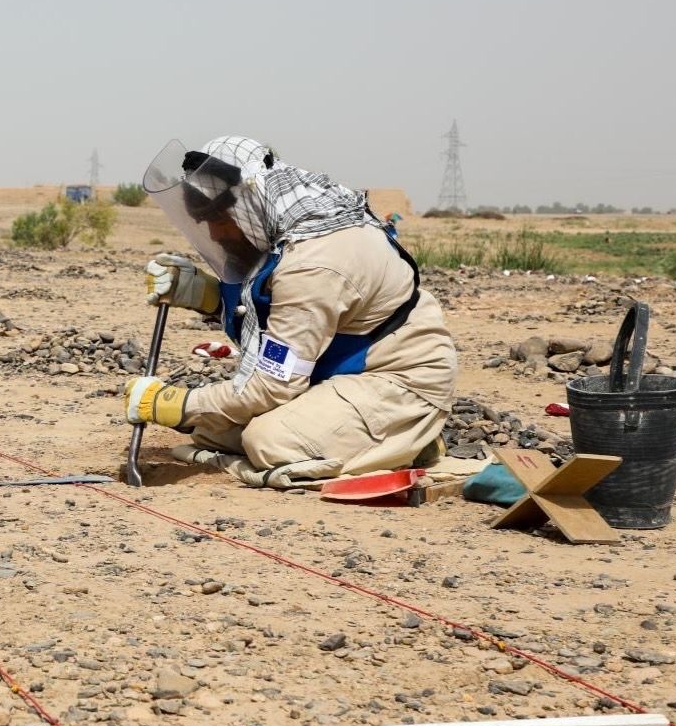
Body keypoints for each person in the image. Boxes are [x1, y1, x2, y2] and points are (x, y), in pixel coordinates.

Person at [124, 136, 457, 487]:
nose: (214, 233)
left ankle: (408, 441)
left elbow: (270, 386)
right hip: (336, 368)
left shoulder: (313, 262)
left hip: (398, 379)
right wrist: (205, 293)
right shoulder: (279, 225)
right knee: (211, 431)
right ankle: (372, 439)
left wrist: (175, 404)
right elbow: (277, 309)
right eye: (203, 222)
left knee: (268, 442)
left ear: (246, 205)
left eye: (218, 219)